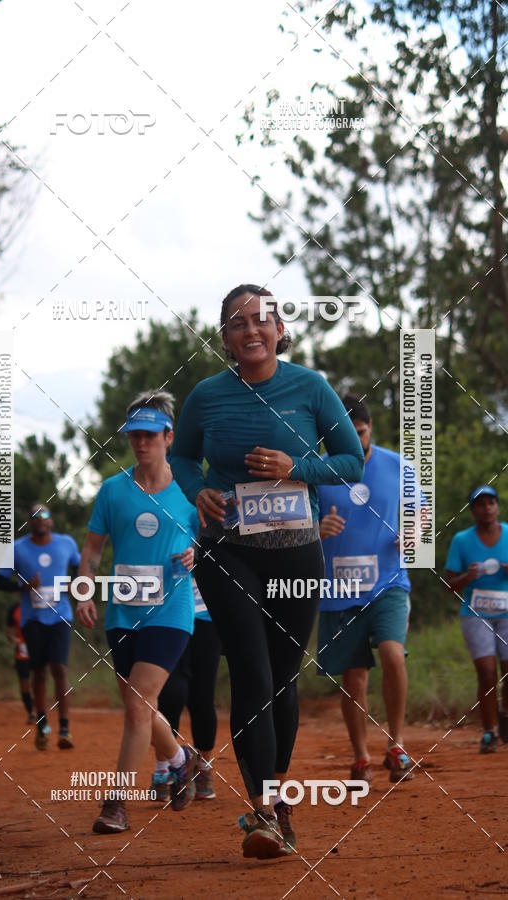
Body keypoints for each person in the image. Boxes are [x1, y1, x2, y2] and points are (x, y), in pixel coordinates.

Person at [169, 285, 364, 859]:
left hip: (296, 550)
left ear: (280, 329)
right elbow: (182, 457)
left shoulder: (311, 386)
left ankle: (277, 800)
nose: (250, 329)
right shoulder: (207, 395)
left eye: (261, 319)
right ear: (225, 337)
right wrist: (196, 490)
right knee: (251, 671)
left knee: (281, 677)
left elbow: (351, 458)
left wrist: (296, 466)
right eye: (237, 322)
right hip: (227, 548)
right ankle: (262, 809)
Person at [76, 391, 199, 835]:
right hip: (123, 613)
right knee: (139, 704)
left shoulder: (190, 489)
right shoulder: (112, 490)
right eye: (134, 436)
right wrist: (83, 591)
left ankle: (116, 804)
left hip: (171, 609)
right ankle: (178, 758)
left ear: (169, 437)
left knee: (137, 704)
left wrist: (195, 553)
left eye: (149, 435)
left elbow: (213, 540)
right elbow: (93, 549)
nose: (140, 443)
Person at [317, 395, 415, 785]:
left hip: (388, 582)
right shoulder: (319, 471)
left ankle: (397, 744)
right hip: (338, 590)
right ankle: (361, 757)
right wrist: (317, 529)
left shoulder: (397, 465)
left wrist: (414, 531)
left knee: (393, 654)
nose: (356, 443)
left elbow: (420, 509)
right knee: (354, 678)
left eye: (360, 433)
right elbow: (295, 524)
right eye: (347, 436)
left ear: (370, 426)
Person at [0, 504, 80, 750]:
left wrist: (73, 585)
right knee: (39, 671)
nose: (40, 519)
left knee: (60, 668)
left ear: (51, 521)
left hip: (61, 616)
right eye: (34, 516)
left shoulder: (66, 543)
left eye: (44, 514)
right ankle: (42, 724)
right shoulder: (16, 548)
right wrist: (22, 587)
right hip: (32, 619)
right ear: (29, 522)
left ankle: (64, 729)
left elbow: (79, 569)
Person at [445, 485, 508, 752]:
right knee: (486, 673)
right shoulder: (462, 540)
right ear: (472, 510)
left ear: (497, 506)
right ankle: (489, 732)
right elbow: (449, 584)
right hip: (476, 614)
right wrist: (466, 578)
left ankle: (504, 716)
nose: (487, 508)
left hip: (507, 613)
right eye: (480, 504)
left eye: (491, 503)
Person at [151, 577, 221, 802]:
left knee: (202, 696)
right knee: (170, 694)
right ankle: (164, 770)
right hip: (168, 613)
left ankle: (204, 768)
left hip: (206, 615)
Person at [6, 601, 36, 723]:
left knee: (38, 679)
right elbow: (9, 632)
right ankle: (30, 713)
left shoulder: (39, 604)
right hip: (22, 652)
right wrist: (13, 639)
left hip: (37, 648)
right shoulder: (14, 609)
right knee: (24, 683)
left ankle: (39, 711)